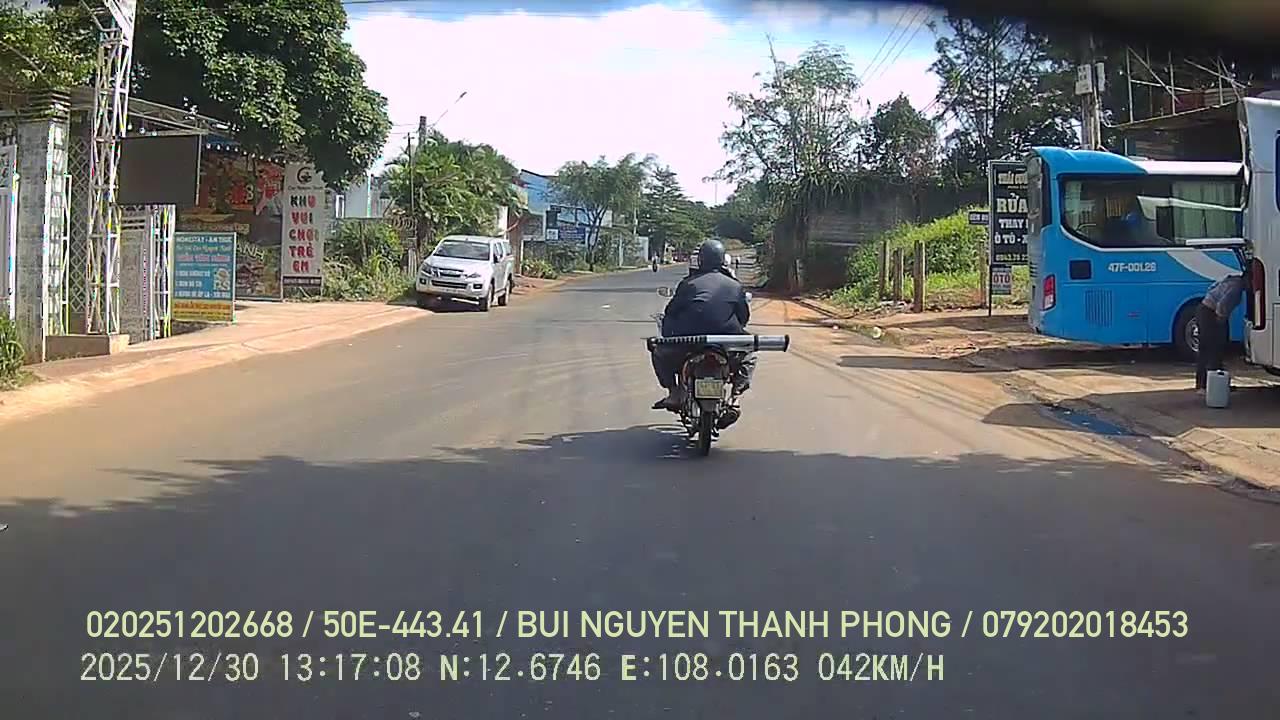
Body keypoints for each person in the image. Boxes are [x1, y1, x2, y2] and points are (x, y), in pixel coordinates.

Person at [651, 239, 752, 411]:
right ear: (723, 259)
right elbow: (744, 317)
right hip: (725, 344)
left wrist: (670, 332)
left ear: (700, 260)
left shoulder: (688, 284)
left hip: (689, 342)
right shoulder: (735, 286)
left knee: (658, 352)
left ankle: (674, 393)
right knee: (749, 355)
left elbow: (671, 311)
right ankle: (735, 397)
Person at [1195, 273, 1247, 393]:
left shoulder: (1232, 280)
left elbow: (1212, 288)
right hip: (1210, 314)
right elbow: (1222, 306)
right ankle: (1210, 385)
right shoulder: (1237, 289)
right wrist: (1220, 319)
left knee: (1206, 348)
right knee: (1214, 348)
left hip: (1203, 309)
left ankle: (1207, 384)